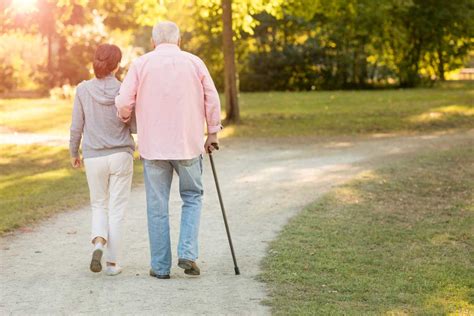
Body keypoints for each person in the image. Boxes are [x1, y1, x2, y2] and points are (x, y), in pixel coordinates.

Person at [115, 21, 222, 279]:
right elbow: (212, 97)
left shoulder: (141, 64)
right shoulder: (195, 62)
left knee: (157, 206)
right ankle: (187, 252)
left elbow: (123, 100)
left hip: (154, 147)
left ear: (153, 42)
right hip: (188, 143)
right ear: (179, 40)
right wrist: (213, 132)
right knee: (193, 197)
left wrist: (125, 116)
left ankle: (161, 267)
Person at [69, 44, 136, 276]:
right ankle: (112, 264)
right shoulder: (124, 90)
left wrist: (73, 152)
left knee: (99, 204)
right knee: (117, 210)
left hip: (94, 156)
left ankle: (98, 243)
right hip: (121, 155)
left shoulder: (83, 90)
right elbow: (134, 125)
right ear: (117, 66)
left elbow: (77, 125)